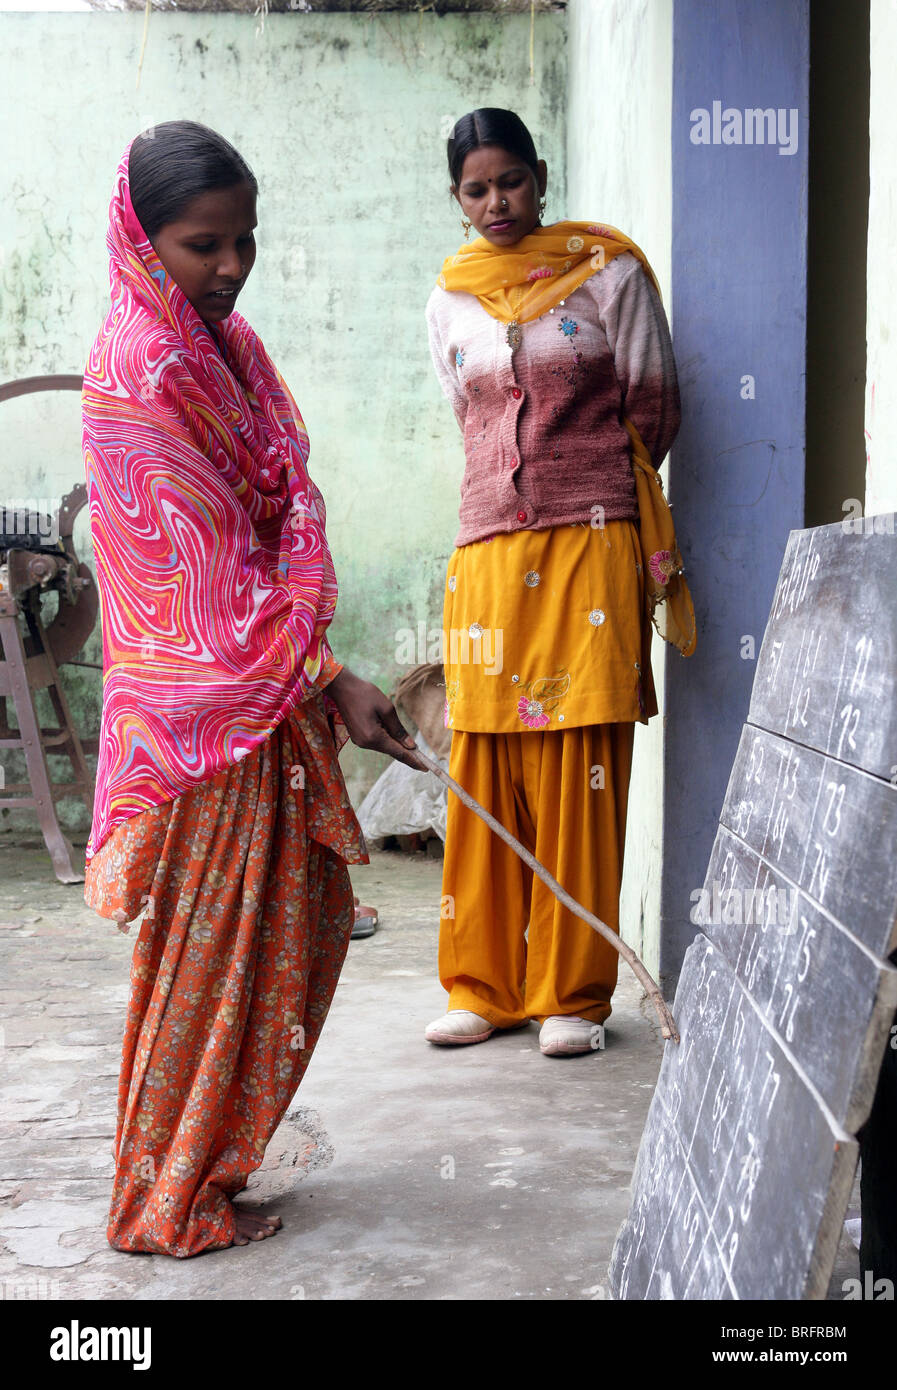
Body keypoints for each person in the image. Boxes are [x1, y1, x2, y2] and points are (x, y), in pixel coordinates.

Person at [82, 121, 425, 1257]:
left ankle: (203, 1167)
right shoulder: (144, 367)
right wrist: (333, 680)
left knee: (281, 933)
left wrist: (321, 685)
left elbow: (279, 507)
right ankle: (161, 1195)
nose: (230, 266)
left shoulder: (227, 347)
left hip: (262, 693)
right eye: (203, 244)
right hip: (203, 722)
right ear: (144, 239)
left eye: (246, 240)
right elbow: (204, 581)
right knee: (212, 966)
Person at [424, 108, 695, 1058]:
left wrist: (585, 488)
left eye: (510, 181)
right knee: (485, 760)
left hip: (590, 540)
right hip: (488, 549)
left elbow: (653, 406)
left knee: (580, 758)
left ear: (540, 177)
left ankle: (571, 994)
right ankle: (480, 985)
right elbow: (468, 413)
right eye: (475, 189)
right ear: (456, 200)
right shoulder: (450, 299)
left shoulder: (608, 273)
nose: (496, 203)